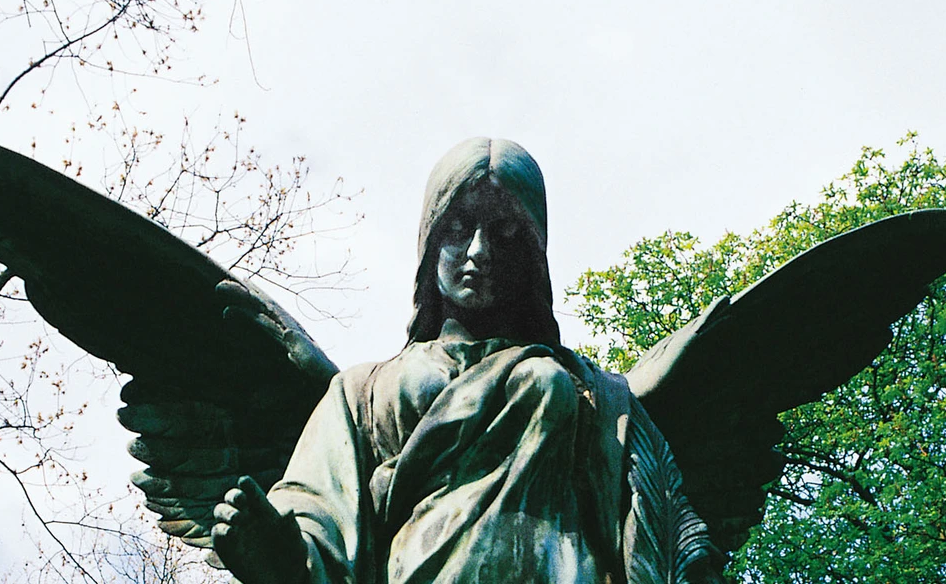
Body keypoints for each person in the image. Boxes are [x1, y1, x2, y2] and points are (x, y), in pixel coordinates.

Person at [211, 138, 723, 583]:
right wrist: (281, 554)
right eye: (458, 227)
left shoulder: (599, 394)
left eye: (503, 232)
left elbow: (663, 525)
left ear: (533, 255)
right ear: (430, 241)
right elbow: (318, 510)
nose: (479, 250)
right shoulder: (363, 392)